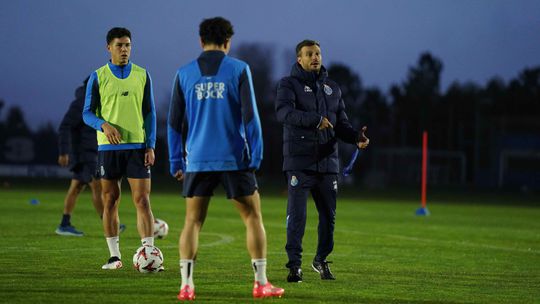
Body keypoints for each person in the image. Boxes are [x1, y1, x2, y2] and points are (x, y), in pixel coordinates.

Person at [168, 17, 284, 300]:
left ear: (200, 41)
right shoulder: (239, 69)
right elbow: (250, 116)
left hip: (196, 161)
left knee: (192, 222)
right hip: (234, 159)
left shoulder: (183, 73)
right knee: (252, 216)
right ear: (228, 42)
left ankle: (186, 286)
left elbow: (173, 123)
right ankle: (260, 283)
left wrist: (175, 161)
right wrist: (256, 153)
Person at [275, 39, 369, 282]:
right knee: (298, 216)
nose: (315, 57)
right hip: (300, 162)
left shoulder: (333, 88)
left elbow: (342, 125)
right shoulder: (288, 85)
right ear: (299, 59)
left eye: (317, 53)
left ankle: (321, 259)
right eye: (309, 54)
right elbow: (283, 113)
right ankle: (294, 266)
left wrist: (356, 137)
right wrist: (314, 120)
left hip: (328, 164)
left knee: (329, 217)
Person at [83, 27, 157, 270]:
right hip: (108, 148)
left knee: (143, 200)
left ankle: (148, 254)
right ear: (108, 48)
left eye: (127, 45)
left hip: (137, 147)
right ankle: (114, 257)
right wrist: (103, 125)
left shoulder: (143, 75)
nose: (124, 49)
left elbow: (150, 113)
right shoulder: (98, 76)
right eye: (119, 45)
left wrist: (151, 145)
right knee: (110, 200)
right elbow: (87, 113)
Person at [56, 78, 126, 237]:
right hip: (82, 153)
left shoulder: (94, 103)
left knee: (76, 187)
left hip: (88, 151)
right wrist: (63, 152)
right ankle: (107, 222)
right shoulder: (80, 103)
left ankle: (64, 224)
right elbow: (64, 126)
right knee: (97, 185)